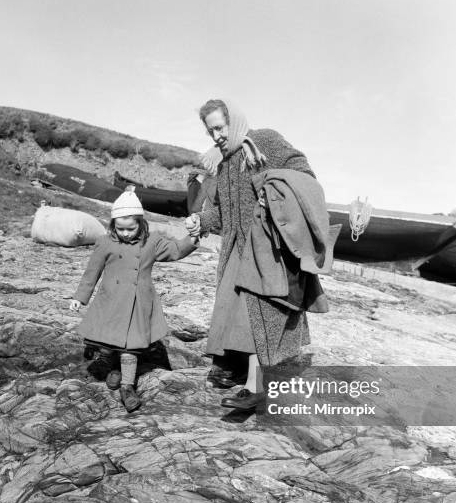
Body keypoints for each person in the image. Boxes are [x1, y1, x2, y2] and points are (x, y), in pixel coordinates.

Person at [186, 99, 330, 412]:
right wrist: (203, 220)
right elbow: (225, 213)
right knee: (231, 308)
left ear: (234, 121)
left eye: (220, 127)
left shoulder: (265, 140)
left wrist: (274, 192)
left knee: (258, 314)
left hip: (267, 248)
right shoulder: (224, 164)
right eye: (211, 131)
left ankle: (256, 386)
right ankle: (234, 366)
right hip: (236, 249)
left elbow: (305, 175)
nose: (217, 136)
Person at [70, 186, 198, 412]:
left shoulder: (153, 242)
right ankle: (111, 366)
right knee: (108, 341)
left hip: (138, 302)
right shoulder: (105, 242)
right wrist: (80, 298)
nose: (126, 233)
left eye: (131, 228)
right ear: (113, 225)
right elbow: (92, 272)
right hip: (111, 300)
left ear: (141, 222)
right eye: (120, 229)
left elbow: (176, 250)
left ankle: (127, 388)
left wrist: (193, 237)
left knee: (131, 346)